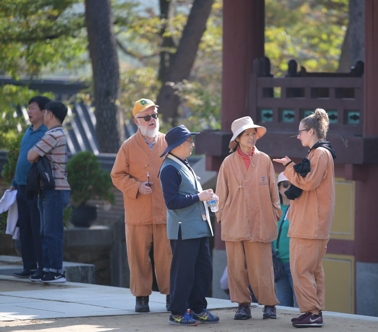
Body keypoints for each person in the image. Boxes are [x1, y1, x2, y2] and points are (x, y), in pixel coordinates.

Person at [273, 108, 336, 328]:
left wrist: (289, 167)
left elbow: (308, 182)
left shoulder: (319, 153)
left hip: (310, 224)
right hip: (313, 223)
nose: (298, 136)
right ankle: (314, 311)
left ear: (311, 131)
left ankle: (312, 312)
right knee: (313, 270)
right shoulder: (320, 153)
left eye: (300, 132)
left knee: (300, 269)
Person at [215, 116, 281, 320]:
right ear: (238, 138)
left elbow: (273, 190)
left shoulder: (264, 160)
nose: (252, 137)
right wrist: (221, 215)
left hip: (261, 219)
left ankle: (269, 304)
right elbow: (220, 193)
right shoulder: (227, 163)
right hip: (234, 220)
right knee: (236, 266)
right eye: (247, 134)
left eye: (254, 134)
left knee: (262, 266)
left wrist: (275, 212)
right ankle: (242, 304)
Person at [110, 98, 172, 312]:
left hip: (165, 209)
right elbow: (117, 175)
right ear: (137, 121)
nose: (152, 120)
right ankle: (141, 297)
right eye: (146, 117)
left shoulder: (168, 142)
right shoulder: (127, 146)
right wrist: (136, 186)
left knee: (167, 255)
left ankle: (171, 295)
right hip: (138, 210)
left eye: (154, 115)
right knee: (138, 256)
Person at [159, 125, 219, 326]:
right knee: (183, 273)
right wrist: (198, 197)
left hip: (197, 227)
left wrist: (206, 197)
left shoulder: (183, 164)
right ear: (177, 145)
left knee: (203, 271)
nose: (192, 144)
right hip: (184, 230)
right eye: (188, 141)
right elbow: (171, 202)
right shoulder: (169, 168)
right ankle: (177, 313)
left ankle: (198, 309)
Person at [27, 101, 71, 283]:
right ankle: (47, 269)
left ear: (50, 115)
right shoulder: (57, 134)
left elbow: (31, 155)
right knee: (45, 231)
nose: (43, 115)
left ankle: (55, 271)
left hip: (54, 190)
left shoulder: (53, 135)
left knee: (51, 232)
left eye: (45, 112)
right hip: (50, 189)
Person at [10, 96, 50, 280]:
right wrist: (13, 183)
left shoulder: (46, 133)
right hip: (20, 185)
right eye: (28, 108)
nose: (29, 111)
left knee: (36, 227)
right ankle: (28, 266)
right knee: (24, 226)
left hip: (35, 187)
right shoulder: (27, 131)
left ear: (43, 111)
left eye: (33, 108)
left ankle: (41, 267)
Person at [273, 172, 297, 307]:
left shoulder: (300, 208)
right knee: (283, 305)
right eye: (285, 185)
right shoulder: (274, 208)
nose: (288, 188)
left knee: (302, 304)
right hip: (277, 263)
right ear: (278, 188)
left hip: (295, 263)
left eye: (293, 185)